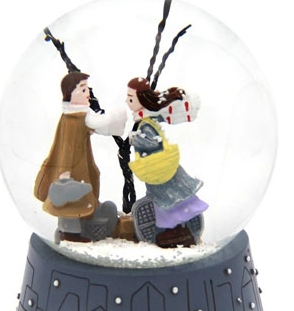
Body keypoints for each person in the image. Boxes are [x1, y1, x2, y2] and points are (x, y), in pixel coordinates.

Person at [34, 72, 125, 242]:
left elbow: (98, 126)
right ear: (70, 94)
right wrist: (65, 173)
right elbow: (69, 146)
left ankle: (81, 224)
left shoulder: (75, 115)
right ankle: (70, 234)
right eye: (83, 90)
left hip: (79, 164)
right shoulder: (75, 118)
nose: (87, 93)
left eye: (87, 89)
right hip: (71, 168)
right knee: (71, 200)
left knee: (79, 195)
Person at [126, 77, 208, 248]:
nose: (127, 101)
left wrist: (136, 140)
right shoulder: (148, 118)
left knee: (165, 201)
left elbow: (153, 142)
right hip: (159, 171)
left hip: (159, 171)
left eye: (131, 98)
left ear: (142, 99)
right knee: (169, 200)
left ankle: (174, 230)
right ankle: (174, 229)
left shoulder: (145, 124)